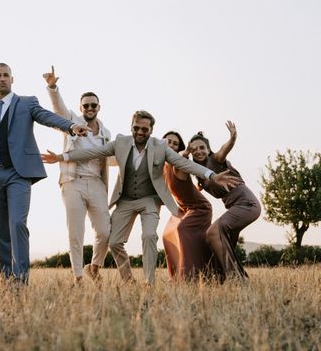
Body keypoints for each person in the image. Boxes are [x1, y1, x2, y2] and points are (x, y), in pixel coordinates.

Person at [42, 110, 241, 285]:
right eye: (136, 128)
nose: (139, 132)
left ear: (151, 131)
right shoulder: (120, 142)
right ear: (131, 127)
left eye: (144, 130)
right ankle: (128, 281)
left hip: (149, 200)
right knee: (114, 242)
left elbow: (184, 163)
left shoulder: (160, 148)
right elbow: (94, 151)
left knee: (148, 236)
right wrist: (62, 157)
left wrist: (212, 175)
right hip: (126, 199)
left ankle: (149, 282)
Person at [0, 63, 89, 284]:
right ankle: (7, 279)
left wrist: (70, 126)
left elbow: (47, 117)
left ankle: (20, 280)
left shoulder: (27, 102)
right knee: (0, 231)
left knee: (17, 223)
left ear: (12, 79)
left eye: (6, 75)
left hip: (18, 174)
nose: (2, 79)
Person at [43, 66, 112, 284]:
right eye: (86, 105)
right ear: (80, 108)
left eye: (93, 105)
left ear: (99, 107)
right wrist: (53, 87)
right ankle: (78, 277)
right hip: (72, 182)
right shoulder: (71, 122)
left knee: (105, 231)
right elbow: (59, 110)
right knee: (76, 233)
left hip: (97, 184)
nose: (89, 108)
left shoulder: (106, 133)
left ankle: (94, 266)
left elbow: (108, 158)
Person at [189, 122, 261, 281]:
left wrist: (232, 138)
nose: (199, 151)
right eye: (194, 149)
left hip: (247, 203)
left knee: (212, 232)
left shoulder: (215, 160)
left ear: (208, 150)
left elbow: (223, 150)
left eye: (202, 147)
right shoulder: (201, 174)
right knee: (218, 239)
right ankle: (220, 278)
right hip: (236, 207)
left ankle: (235, 278)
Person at [161, 131, 213, 280]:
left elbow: (182, 156)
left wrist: (186, 152)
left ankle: (189, 277)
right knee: (166, 235)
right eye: (168, 141)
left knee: (182, 229)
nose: (171, 145)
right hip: (181, 209)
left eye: (175, 144)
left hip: (199, 208)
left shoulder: (179, 163)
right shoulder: (162, 167)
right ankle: (176, 277)